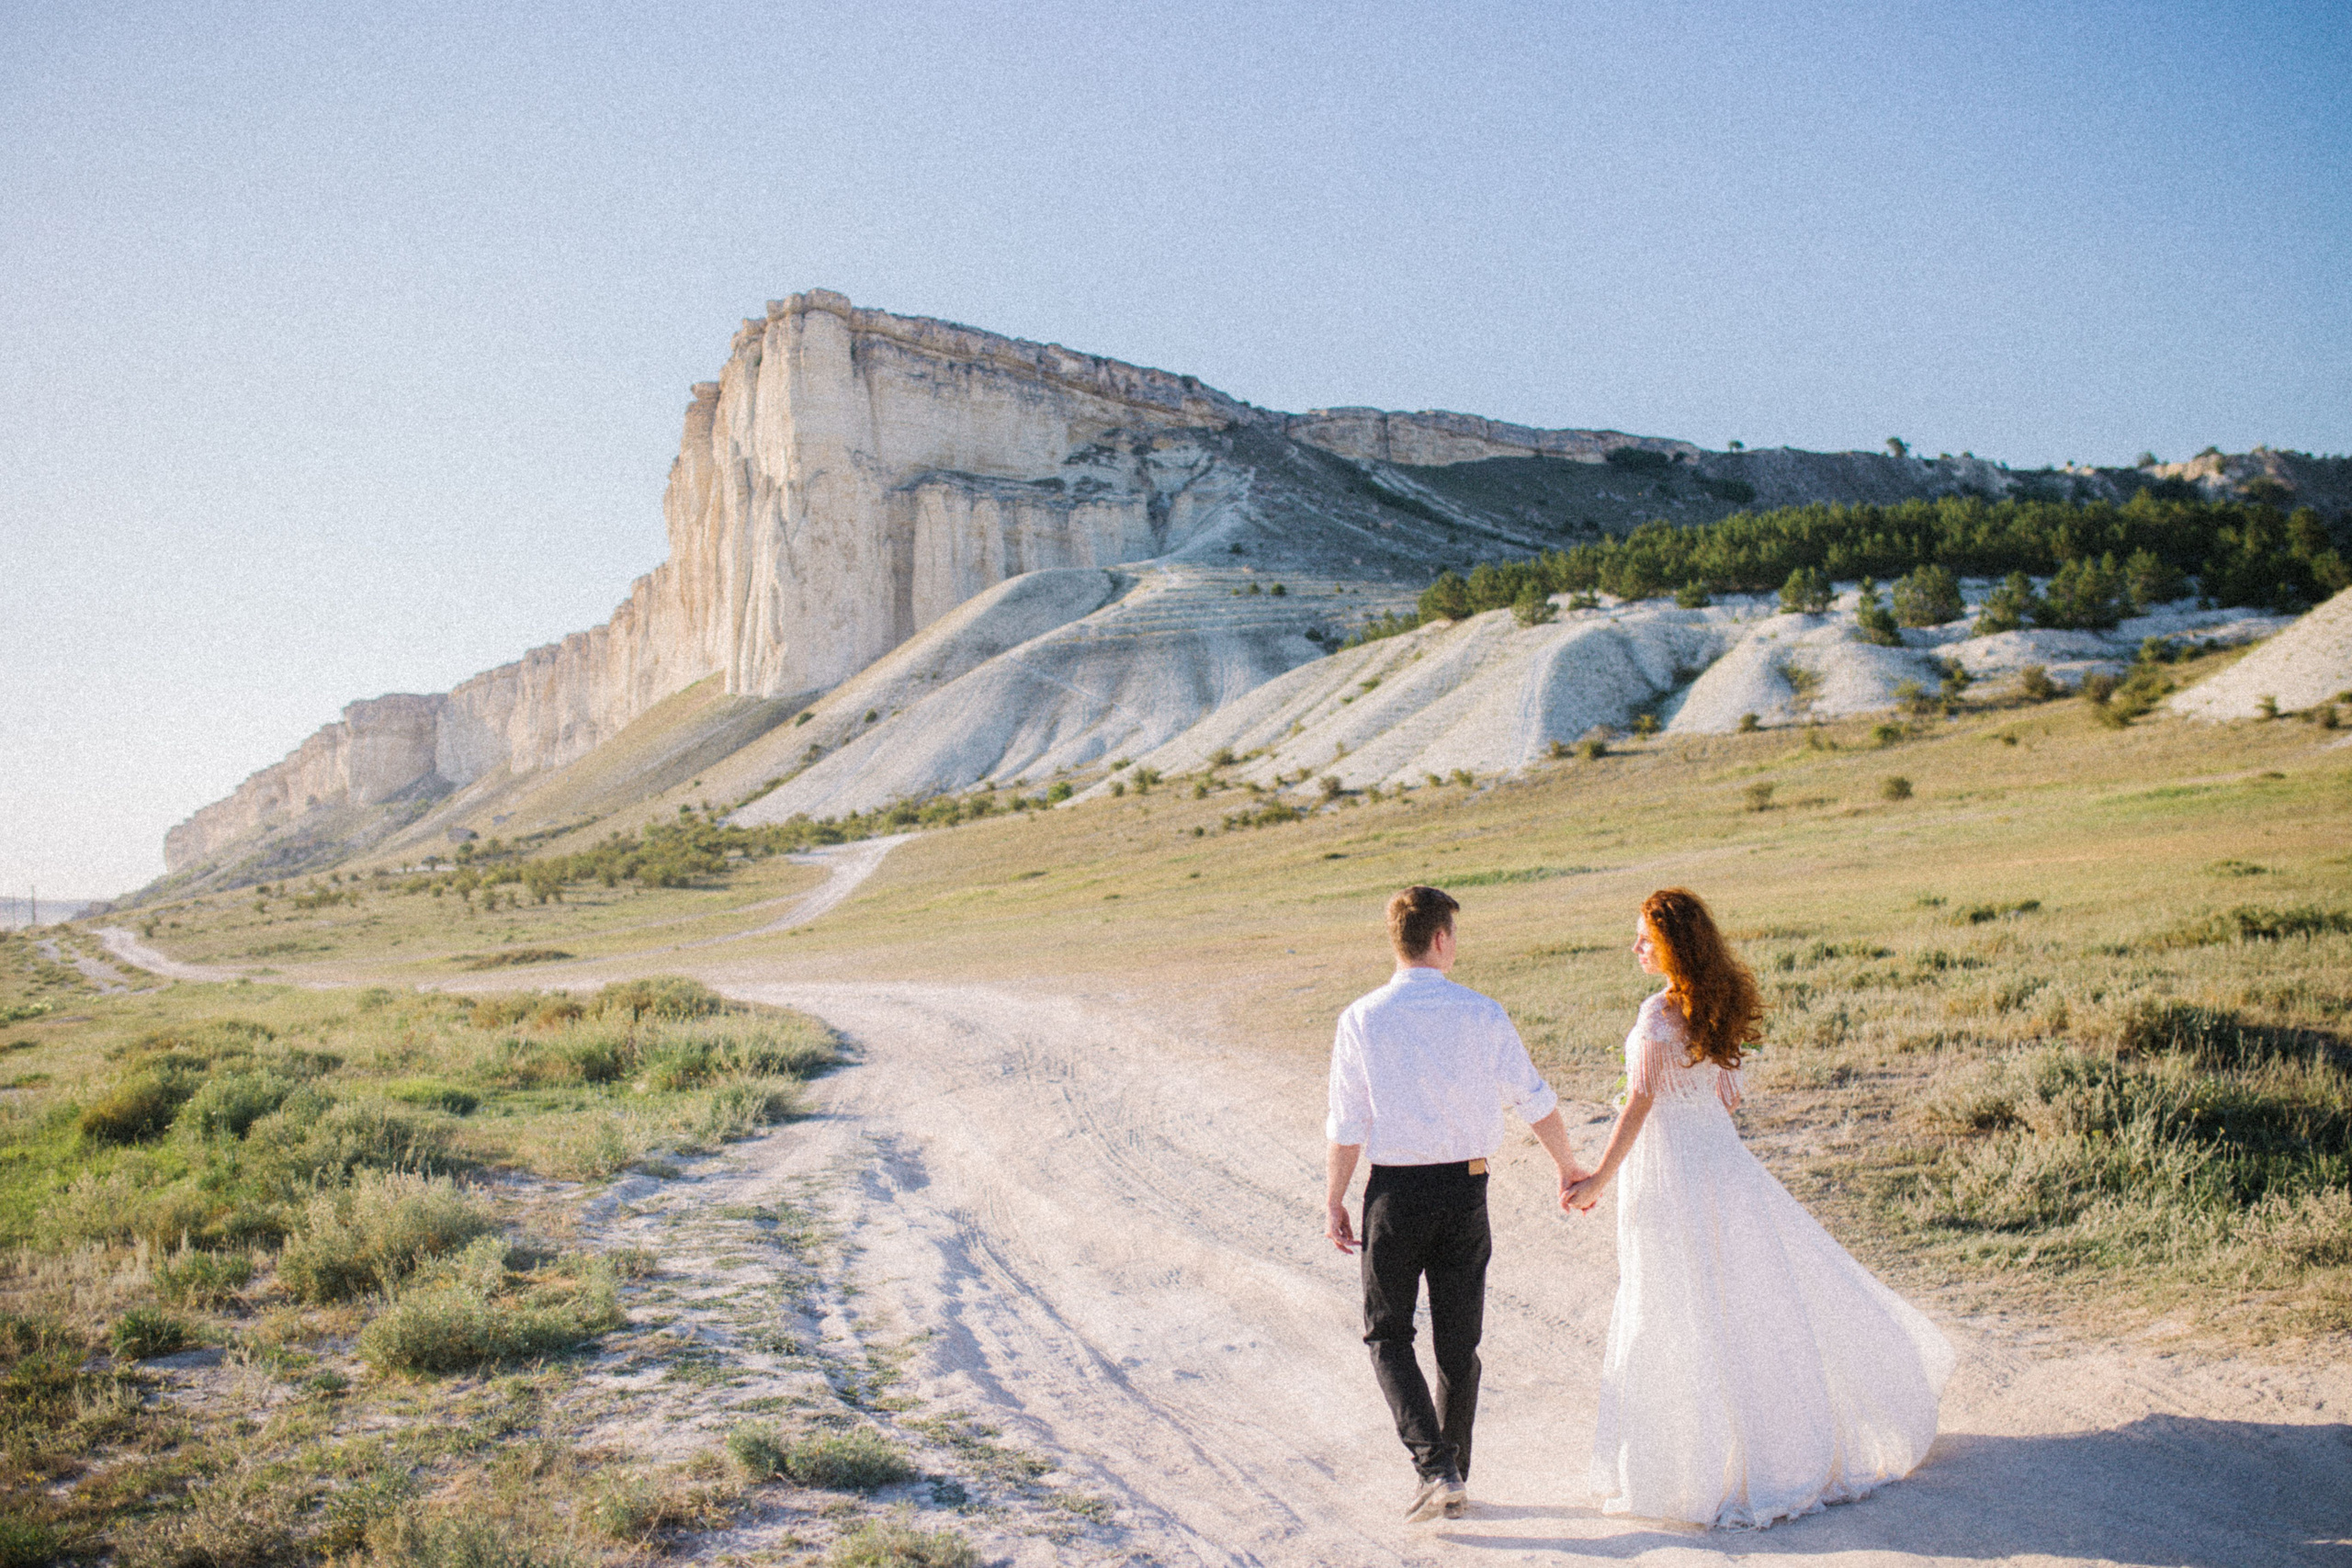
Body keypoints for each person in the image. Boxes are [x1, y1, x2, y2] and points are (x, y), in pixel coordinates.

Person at [1563, 887, 1955, 1529]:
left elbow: (1638, 1107)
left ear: (1672, 946)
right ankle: (1767, 1451)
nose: (1634, 946)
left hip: (1674, 1173)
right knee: (1741, 1299)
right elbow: (1728, 1098)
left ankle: (1694, 1467)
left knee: (1679, 1301)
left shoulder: (1657, 1020)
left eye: (1644, 937)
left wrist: (1598, 1177)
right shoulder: (1717, 1002)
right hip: (1721, 1163)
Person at [1325, 885, 1587, 1524]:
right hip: (1468, 1189)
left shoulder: (1362, 1016)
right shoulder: (1481, 1011)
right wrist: (1568, 1166)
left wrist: (1334, 1195)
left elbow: (1348, 1119)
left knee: (1388, 1333)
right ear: (1441, 937)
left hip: (1396, 1191)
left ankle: (1436, 1467)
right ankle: (1453, 1470)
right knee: (1457, 1343)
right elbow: (1534, 1098)